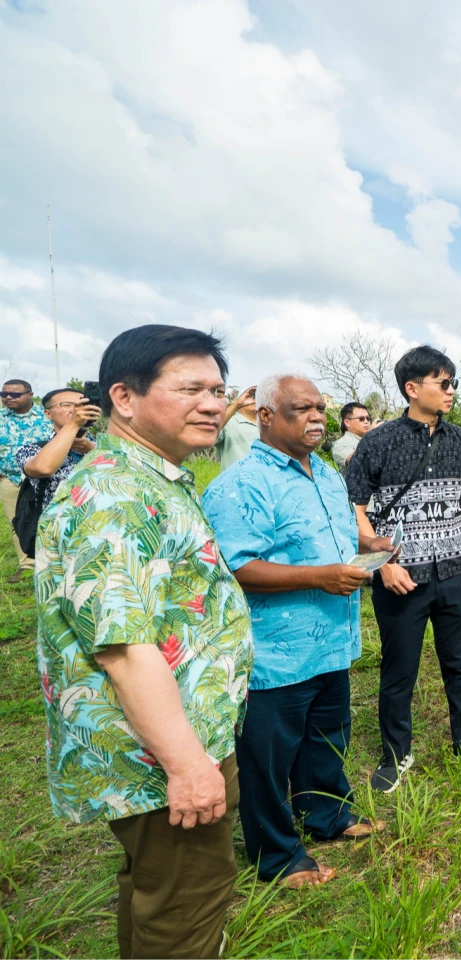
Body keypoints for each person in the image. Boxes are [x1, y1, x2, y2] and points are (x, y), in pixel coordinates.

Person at [34, 325, 253, 960]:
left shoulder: (155, 477)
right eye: (190, 389)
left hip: (177, 735)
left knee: (159, 892)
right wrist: (187, 765)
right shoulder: (116, 493)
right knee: (188, 906)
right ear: (124, 398)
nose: (211, 404)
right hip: (159, 751)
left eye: (218, 390)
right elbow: (125, 650)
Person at [203, 374, 388, 888]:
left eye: (320, 409)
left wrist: (370, 545)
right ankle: (278, 856)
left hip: (331, 639)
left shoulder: (325, 473)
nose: (316, 418)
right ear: (265, 416)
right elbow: (237, 566)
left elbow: (333, 533)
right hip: (275, 652)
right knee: (268, 758)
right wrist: (319, 577)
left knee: (325, 737)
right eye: (301, 409)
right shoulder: (242, 484)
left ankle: (327, 815)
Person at [347, 345, 461, 792]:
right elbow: (355, 507)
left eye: (453, 383)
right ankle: (395, 755)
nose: (451, 391)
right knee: (399, 670)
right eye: (443, 383)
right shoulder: (378, 443)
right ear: (412, 388)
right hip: (401, 579)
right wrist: (383, 565)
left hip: (456, 573)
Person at [18, 387, 103, 516]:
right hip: (53, 524)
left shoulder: (104, 446)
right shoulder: (33, 449)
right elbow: (43, 468)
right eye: (67, 405)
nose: (76, 410)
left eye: (82, 404)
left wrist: (94, 451)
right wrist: (73, 424)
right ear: (48, 413)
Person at [1, 378, 52, 579]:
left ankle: (53, 560)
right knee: (18, 521)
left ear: (30, 395)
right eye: (4, 394)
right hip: (10, 479)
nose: (8, 397)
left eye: (15, 394)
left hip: (45, 478)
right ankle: (28, 565)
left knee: (49, 519)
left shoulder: (47, 415)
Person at [215, 384, 259, 471]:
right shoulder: (228, 422)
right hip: (235, 478)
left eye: (258, 396)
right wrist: (237, 405)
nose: (254, 399)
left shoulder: (269, 426)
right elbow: (212, 431)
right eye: (251, 395)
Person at [330, 401, 371, 468]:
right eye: (361, 419)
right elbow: (355, 461)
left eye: (368, 418)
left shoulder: (372, 439)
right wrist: (372, 436)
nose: (366, 421)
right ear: (347, 422)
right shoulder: (340, 444)